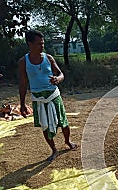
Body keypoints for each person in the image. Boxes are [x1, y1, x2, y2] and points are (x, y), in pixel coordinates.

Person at [19, 30, 77, 162]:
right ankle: (54, 150)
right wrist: (22, 104)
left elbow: (61, 74)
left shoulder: (49, 58)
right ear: (30, 44)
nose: (42, 46)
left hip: (53, 95)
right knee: (44, 125)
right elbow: (22, 83)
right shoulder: (23, 62)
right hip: (38, 98)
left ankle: (67, 141)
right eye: (39, 44)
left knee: (63, 122)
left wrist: (57, 79)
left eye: (43, 43)